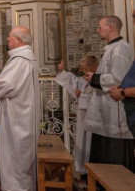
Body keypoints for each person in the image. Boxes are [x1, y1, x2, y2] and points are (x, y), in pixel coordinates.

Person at [0, 26, 39, 191]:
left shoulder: (20, 60)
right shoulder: (24, 57)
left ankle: (18, 187)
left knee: (16, 149)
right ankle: (16, 185)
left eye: (10, 36)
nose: (7, 39)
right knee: (17, 148)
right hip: (21, 110)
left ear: (18, 39)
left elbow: (8, 84)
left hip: (16, 114)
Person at [84, 15, 135, 170]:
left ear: (111, 27)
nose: (98, 30)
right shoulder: (112, 48)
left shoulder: (120, 49)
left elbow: (119, 78)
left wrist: (95, 78)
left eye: (100, 27)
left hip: (116, 111)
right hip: (106, 109)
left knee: (115, 159)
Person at [56, 55, 98, 174]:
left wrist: (81, 95)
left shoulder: (99, 79)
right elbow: (73, 81)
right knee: (82, 139)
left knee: (91, 142)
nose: (84, 72)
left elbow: (96, 96)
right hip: (83, 115)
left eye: (86, 69)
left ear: (94, 67)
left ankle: (92, 170)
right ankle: (82, 168)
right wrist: (62, 72)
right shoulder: (84, 79)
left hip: (94, 116)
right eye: (83, 69)